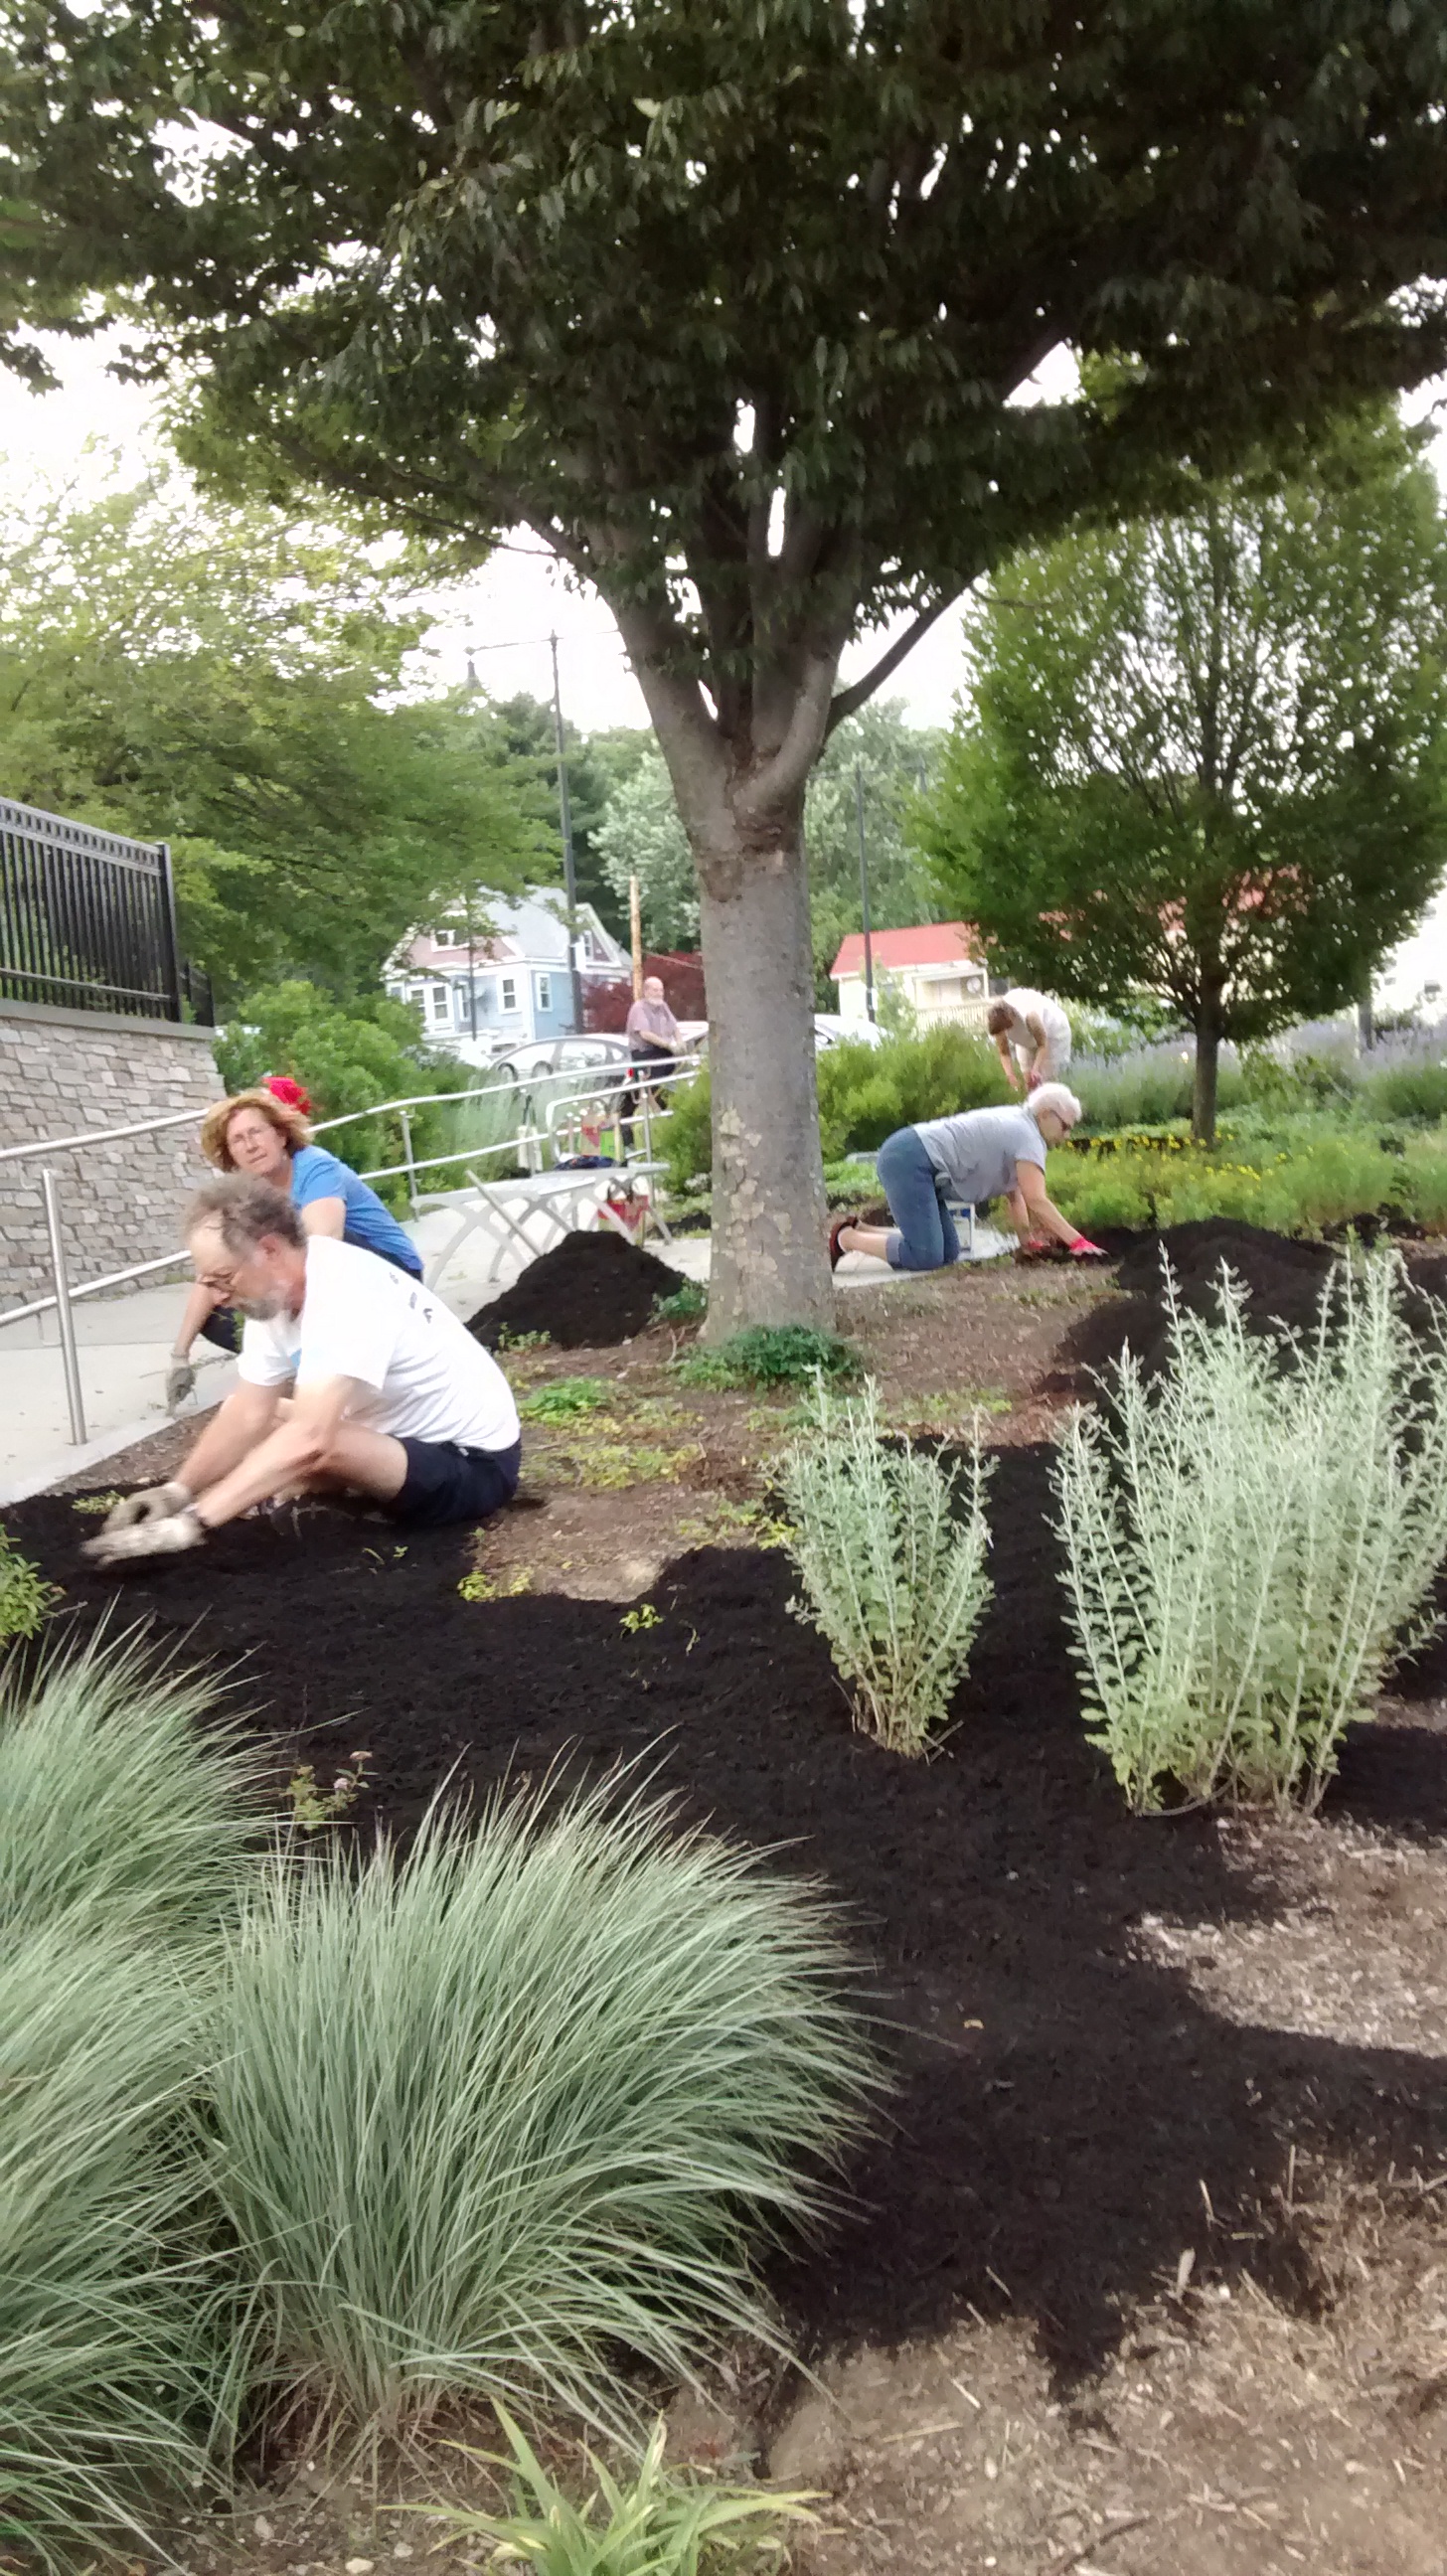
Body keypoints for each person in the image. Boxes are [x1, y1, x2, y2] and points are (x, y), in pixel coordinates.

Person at [86, 1175, 522, 1563]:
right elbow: (247, 1413)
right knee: (269, 1415)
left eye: (223, 1278)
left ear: (269, 1250)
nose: (218, 1297)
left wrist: (194, 1522)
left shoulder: (344, 1291)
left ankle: (324, 1491)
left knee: (316, 1440)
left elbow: (313, 1439)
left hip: (471, 1468)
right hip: (396, 1442)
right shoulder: (272, 1299)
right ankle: (323, 1489)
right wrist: (176, 1491)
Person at [165, 1083, 423, 1408]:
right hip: (330, 1278)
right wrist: (180, 1354)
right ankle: (301, 1363)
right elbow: (215, 1270)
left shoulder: (315, 1166)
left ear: (281, 1136)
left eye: (256, 1132)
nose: (250, 1146)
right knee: (223, 1303)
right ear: (230, 1155)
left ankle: (325, 1368)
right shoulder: (248, 1195)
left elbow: (322, 1247)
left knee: (298, 1254)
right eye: (238, 1140)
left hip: (390, 1270)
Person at [828, 1084, 1106, 1273]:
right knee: (926, 1255)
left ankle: (863, 1229)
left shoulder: (1021, 1124)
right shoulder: (1028, 1136)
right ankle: (846, 1238)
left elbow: (1016, 1192)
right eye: (1065, 1126)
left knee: (948, 1252)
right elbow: (1037, 1199)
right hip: (910, 1161)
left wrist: (1026, 1240)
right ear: (1046, 1114)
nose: (1066, 1135)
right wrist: (1078, 1242)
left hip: (914, 1157)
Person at [621, 974, 689, 1149]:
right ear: (646, 991)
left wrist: (679, 1042)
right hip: (646, 1054)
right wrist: (668, 1044)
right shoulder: (639, 1008)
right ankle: (642, 1135)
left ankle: (668, 1126)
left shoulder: (663, 1007)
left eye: (661, 990)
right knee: (650, 1092)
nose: (659, 993)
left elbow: (674, 1027)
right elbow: (645, 1034)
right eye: (655, 990)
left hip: (663, 1054)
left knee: (669, 1089)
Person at [988, 989, 1073, 1092]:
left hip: (1053, 1032)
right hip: (1026, 1037)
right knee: (1029, 1081)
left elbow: (1043, 1045)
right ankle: (1031, 1106)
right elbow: (1004, 1052)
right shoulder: (998, 1022)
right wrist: (1010, 1075)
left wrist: (1035, 1069)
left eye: (1005, 1027)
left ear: (1010, 1016)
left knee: (1046, 1082)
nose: (1004, 1032)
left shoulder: (1030, 1015)